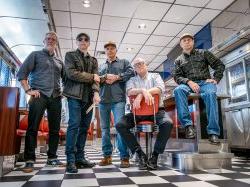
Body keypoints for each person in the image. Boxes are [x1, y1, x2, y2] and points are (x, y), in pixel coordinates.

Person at [17, 31, 64, 173]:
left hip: (55, 96)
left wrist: (64, 92)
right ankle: (29, 160)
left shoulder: (59, 61)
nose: (50, 40)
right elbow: (22, 74)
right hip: (38, 95)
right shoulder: (35, 55)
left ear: (56, 43)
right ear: (43, 41)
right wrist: (28, 90)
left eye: (53, 39)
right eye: (48, 38)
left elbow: (67, 79)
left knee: (55, 129)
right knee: (33, 127)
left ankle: (52, 158)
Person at [116, 58, 173, 170]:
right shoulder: (132, 79)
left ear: (146, 65)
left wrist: (143, 94)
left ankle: (155, 156)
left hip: (156, 111)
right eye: (136, 65)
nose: (139, 65)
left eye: (141, 63)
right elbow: (129, 91)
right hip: (137, 112)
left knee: (168, 123)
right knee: (120, 125)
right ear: (134, 69)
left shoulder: (155, 76)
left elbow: (160, 89)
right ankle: (139, 153)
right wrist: (142, 90)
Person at [172, 33, 225, 144]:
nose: (187, 41)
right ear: (181, 44)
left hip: (205, 83)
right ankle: (188, 126)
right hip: (188, 85)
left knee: (211, 94)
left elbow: (219, 65)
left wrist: (216, 79)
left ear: (193, 42)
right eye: (184, 40)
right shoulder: (178, 60)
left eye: (189, 40)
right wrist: (189, 82)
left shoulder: (204, 53)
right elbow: (177, 77)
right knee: (178, 90)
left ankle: (213, 133)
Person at [63, 33, 100, 173]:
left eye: (86, 40)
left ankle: (80, 158)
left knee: (84, 128)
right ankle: (70, 160)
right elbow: (72, 73)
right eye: (80, 39)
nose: (83, 41)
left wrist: (96, 92)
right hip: (74, 96)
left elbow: (97, 80)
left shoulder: (94, 60)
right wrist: (91, 76)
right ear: (77, 42)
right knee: (74, 126)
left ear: (89, 43)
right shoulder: (70, 55)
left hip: (88, 99)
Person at [98, 41, 134, 168]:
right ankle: (107, 156)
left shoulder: (124, 62)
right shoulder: (101, 66)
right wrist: (105, 77)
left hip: (118, 100)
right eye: (107, 48)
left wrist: (118, 77)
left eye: (112, 48)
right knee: (104, 130)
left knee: (120, 128)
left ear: (116, 50)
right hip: (103, 101)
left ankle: (124, 157)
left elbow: (132, 72)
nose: (110, 50)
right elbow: (96, 79)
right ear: (105, 51)